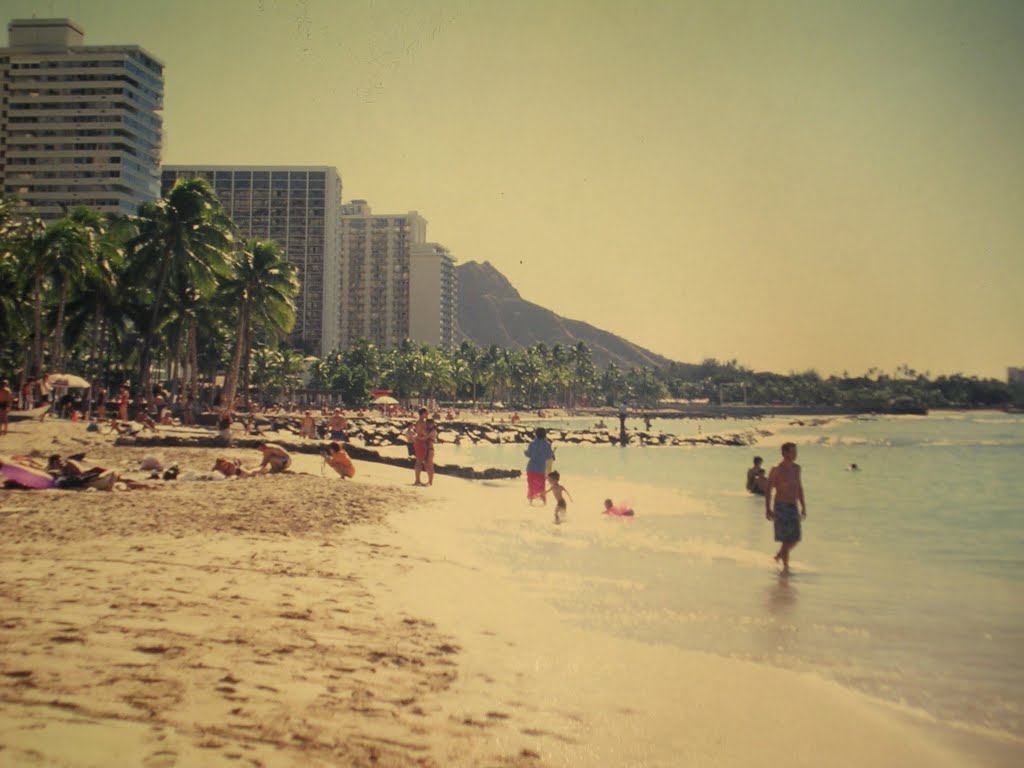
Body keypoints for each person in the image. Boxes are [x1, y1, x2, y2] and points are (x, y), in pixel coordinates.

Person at [765, 442, 807, 573]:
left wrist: (803, 506)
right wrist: (768, 508)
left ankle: (778, 556)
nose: (795, 454)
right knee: (786, 539)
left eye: (796, 451)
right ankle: (785, 568)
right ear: (784, 453)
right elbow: (768, 489)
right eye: (792, 452)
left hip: (793, 506)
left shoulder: (797, 468)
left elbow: (799, 487)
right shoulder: (776, 469)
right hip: (781, 506)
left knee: (795, 538)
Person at [524, 427, 555, 504]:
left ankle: (531, 501)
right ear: (545, 435)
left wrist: (525, 451)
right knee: (541, 484)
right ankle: (544, 501)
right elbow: (549, 456)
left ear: (536, 434)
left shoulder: (532, 443)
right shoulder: (547, 444)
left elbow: (528, 454)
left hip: (531, 468)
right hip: (541, 468)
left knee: (531, 484)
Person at [410, 407, 430, 486]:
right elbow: (421, 434)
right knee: (419, 462)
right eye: (426, 413)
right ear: (423, 414)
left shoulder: (420, 422)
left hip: (420, 442)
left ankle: (417, 480)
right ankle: (417, 480)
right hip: (420, 442)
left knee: (419, 461)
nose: (428, 414)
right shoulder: (421, 422)